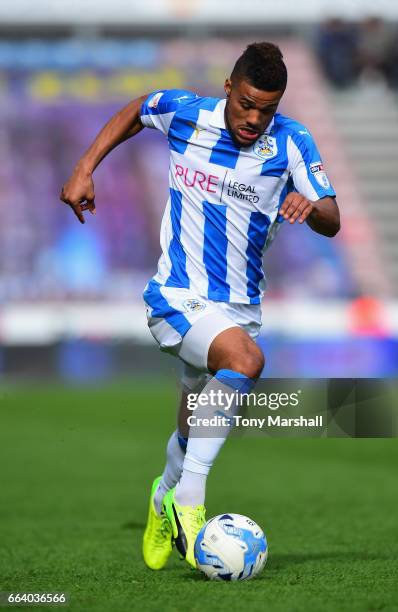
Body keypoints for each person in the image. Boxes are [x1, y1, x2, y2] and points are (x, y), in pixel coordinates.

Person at [60, 42, 340, 571]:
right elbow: (137, 109)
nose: (255, 118)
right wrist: (84, 167)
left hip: (239, 307)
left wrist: (311, 207)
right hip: (175, 296)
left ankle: (162, 494)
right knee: (246, 362)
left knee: (193, 424)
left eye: (267, 109)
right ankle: (189, 505)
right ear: (229, 88)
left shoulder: (293, 141)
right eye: (247, 104)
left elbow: (331, 215)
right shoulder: (186, 114)